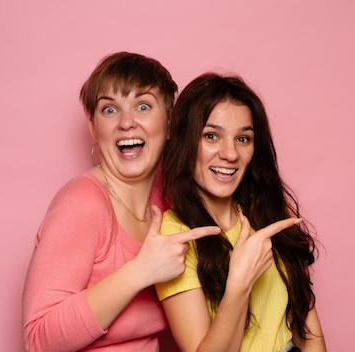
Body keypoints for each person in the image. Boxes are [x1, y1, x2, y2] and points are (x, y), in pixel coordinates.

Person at [21, 52, 221, 352]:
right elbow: (39, 339)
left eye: (143, 106)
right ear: (93, 128)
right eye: (110, 109)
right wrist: (141, 271)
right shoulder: (83, 203)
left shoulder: (166, 206)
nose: (126, 122)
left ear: (169, 125)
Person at [155, 72, 327, 352]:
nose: (230, 154)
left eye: (243, 139)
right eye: (212, 136)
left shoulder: (266, 210)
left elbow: (308, 325)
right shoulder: (175, 236)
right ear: (185, 141)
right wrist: (240, 282)